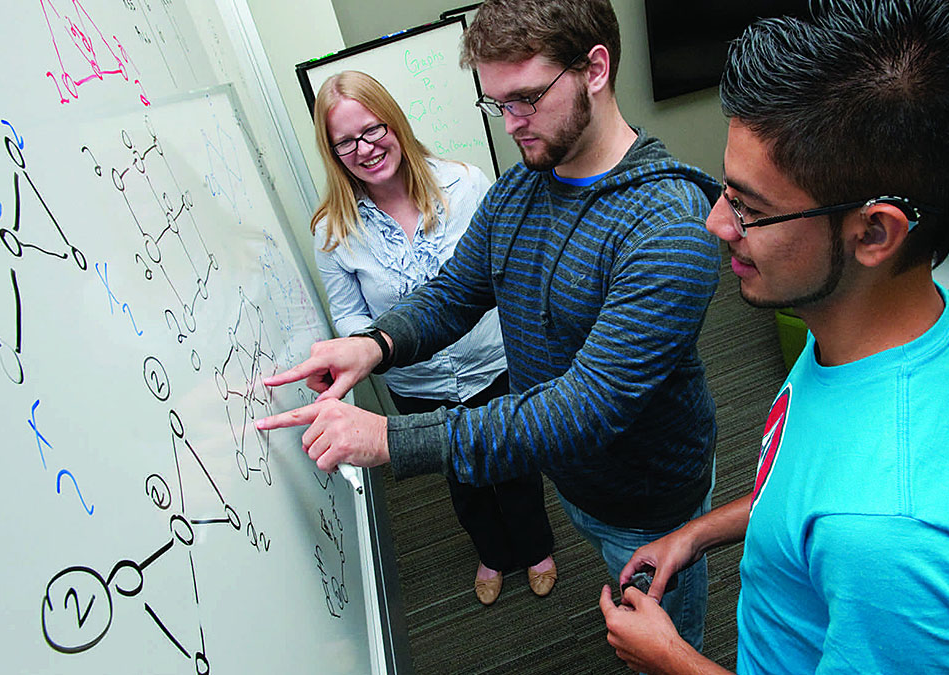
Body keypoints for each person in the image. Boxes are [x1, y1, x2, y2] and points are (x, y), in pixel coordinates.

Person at [257, 0, 722, 652]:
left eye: (526, 99)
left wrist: (393, 438)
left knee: (668, 648)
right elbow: (452, 295)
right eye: (497, 104)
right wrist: (374, 344)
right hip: (577, 480)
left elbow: (582, 408)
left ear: (594, 68)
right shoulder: (519, 189)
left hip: (647, 502)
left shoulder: (665, 222)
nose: (511, 125)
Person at [597, 0, 949, 672]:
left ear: (874, 233)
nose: (716, 224)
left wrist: (670, 657)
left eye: (749, 208)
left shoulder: (895, 539)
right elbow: (805, 484)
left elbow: (854, 515)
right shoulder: (903, 323)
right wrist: (699, 532)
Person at [307, 70, 555, 605]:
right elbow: (350, 321)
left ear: (394, 122)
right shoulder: (334, 231)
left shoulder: (466, 185)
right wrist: (371, 344)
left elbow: (510, 277)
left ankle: (537, 549)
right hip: (418, 382)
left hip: (493, 363)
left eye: (373, 130)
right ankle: (492, 554)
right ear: (331, 151)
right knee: (461, 478)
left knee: (514, 462)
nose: (365, 149)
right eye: (345, 141)